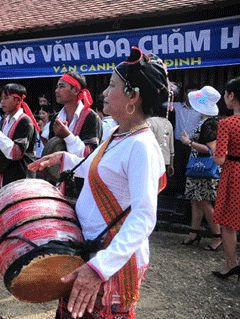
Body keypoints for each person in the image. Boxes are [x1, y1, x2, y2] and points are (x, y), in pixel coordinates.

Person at [29, 47, 169, 319]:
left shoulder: (141, 145)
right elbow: (102, 168)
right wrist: (65, 159)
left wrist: (100, 268)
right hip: (91, 249)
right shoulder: (118, 134)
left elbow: (143, 216)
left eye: (112, 85)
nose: (104, 92)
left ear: (133, 95)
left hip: (112, 260)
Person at [180, 86, 221, 251]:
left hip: (203, 168)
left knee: (204, 202)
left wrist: (189, 143)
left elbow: (212, 149)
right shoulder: (207, 120)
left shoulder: (210, 122)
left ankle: (217, 236)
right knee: (195, 200)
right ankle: (194, 232)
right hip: (198, 167)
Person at [51, 71, 103, 197]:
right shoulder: (56, 118)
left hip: (82, 190)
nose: (57, 90)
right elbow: (51, 150)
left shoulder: (91, 118)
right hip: (58, 187)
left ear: (75, 90)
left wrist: (68, 136)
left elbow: (90, 156)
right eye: (57, 86)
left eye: (62, 86)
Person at [212, 77, 240, 279]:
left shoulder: (227, 124)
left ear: (231, 96)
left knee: (228, 223)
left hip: (233, 173)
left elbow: (220, 159)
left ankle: (232, 265)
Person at [0, 83, 39, 187]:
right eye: (2, 98)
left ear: (18, 100)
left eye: (6, 98)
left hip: (22, 179)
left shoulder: (25, 122)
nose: (2, 102)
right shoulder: (7, 121)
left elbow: (17, 153)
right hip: (8, 175)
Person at [171, 83, 202, 199]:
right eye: (189, 94)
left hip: (193, 144)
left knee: (192, 168)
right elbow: (164, 104)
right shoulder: (178, 106)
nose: (191, 97)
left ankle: (190, 193)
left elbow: (211, 108)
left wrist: (201, 98)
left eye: (194, 94)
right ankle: (179, 192)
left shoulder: (201, 109)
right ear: (185, 95)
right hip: (178, 143)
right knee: (179, 168)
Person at [147, 108, 175, 178]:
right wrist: (171, 165)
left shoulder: (149, 122)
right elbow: (171, 146)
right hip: (165, 160)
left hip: (152, 159)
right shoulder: (168, 123)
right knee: (162, 184)